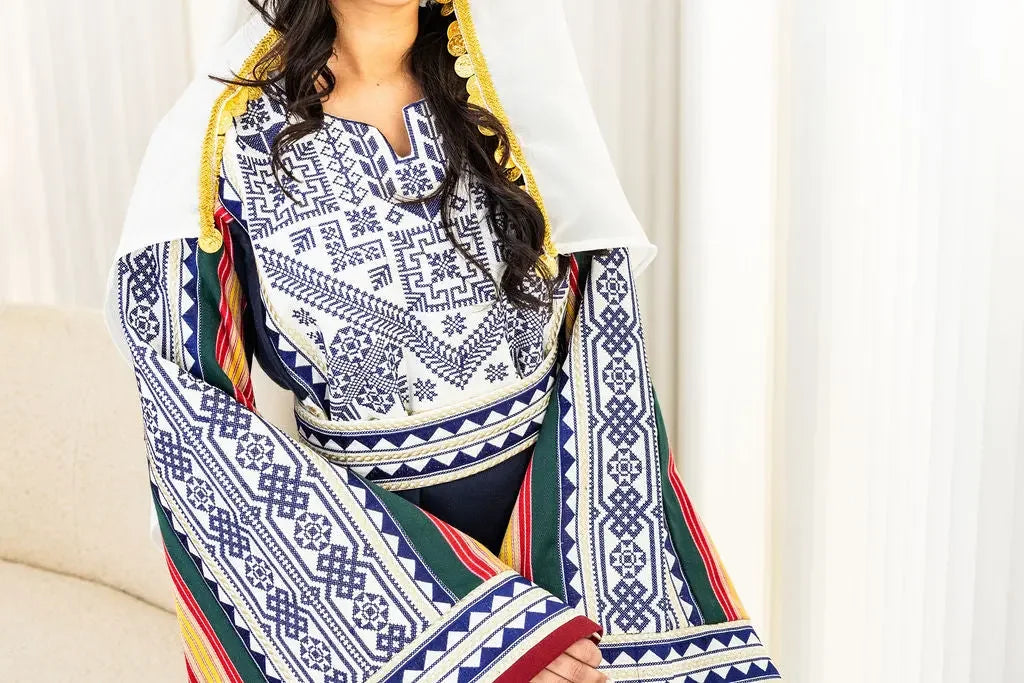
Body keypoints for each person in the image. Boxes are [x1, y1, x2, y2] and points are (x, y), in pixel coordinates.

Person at [105, 1, 782, 681]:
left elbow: (603, 340)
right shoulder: (219, 144)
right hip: (373, 576)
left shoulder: (512, 92)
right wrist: (491, 636)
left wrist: (576, 587)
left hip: (568, 523)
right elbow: (188, 418)